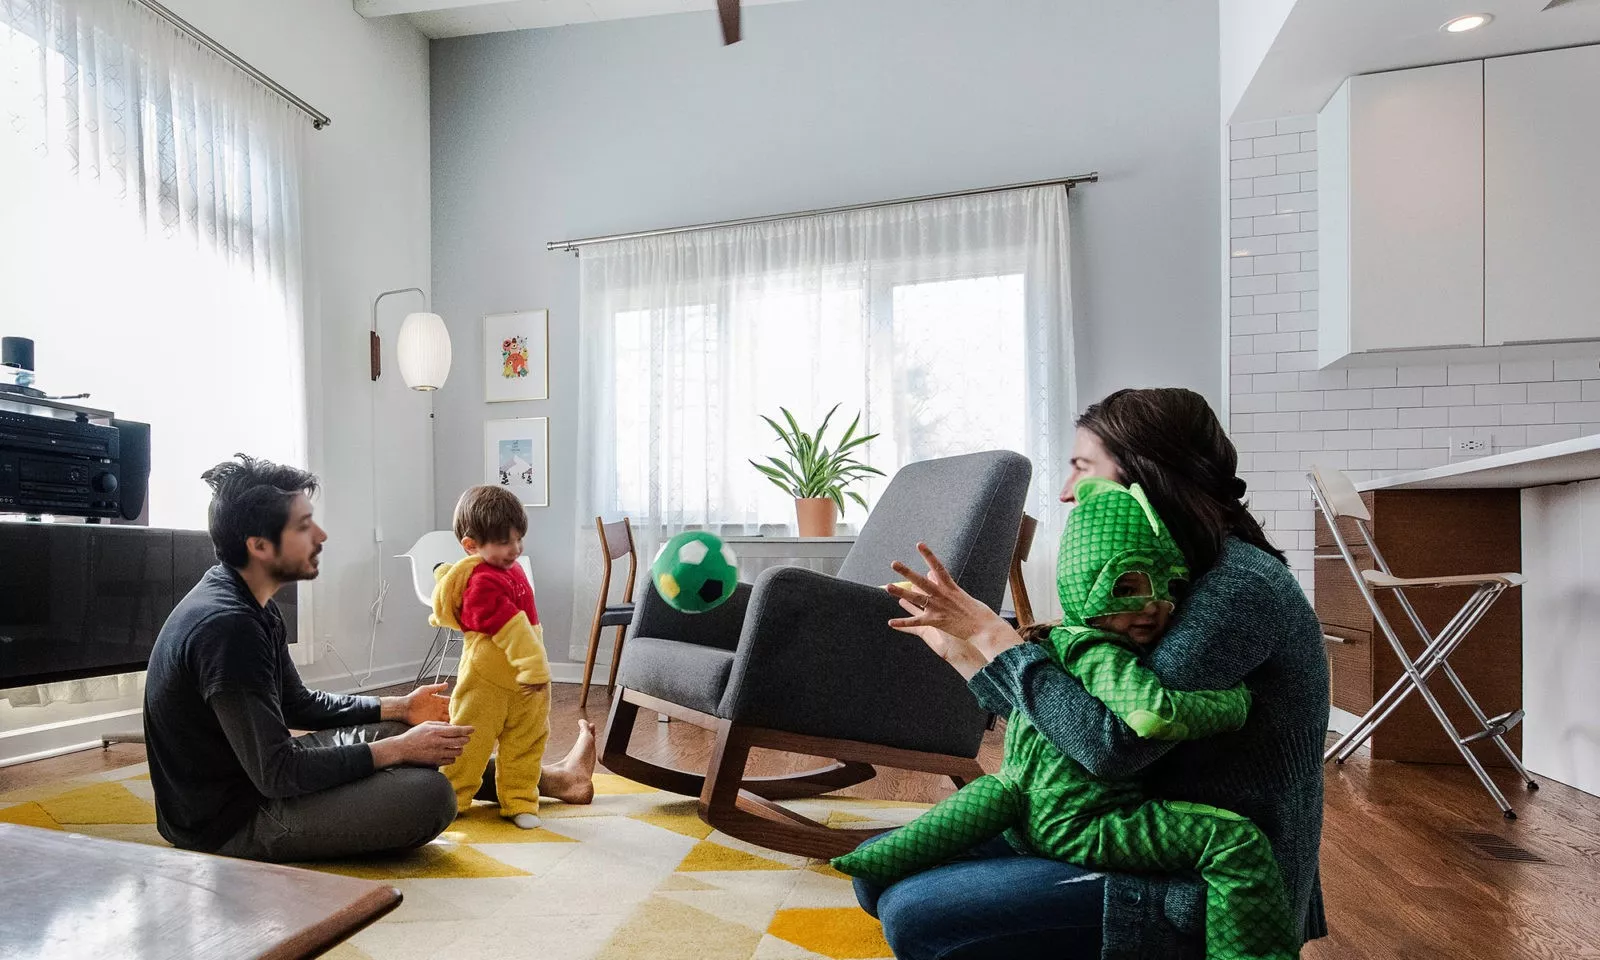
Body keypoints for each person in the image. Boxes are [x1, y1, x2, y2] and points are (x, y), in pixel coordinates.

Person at [855, 387, 1330, 959]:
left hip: (1198, 872)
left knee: (918, 916)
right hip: (1106, 819)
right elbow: (1064, 730)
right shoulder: (1155, 578)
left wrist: (995, 638)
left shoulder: (1234, 588)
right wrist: (960, 651)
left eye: (1083, 466)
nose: (1064, 491)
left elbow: (1113, 747)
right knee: (874, 876)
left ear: (1141, 479)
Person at [144, 454, 470, 862]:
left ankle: (537, 779)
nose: (321, 535)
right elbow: (277, 774)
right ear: (259, 546)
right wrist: (399, 751)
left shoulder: (249, 601)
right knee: (431, 796)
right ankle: (527, 779)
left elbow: (297, 705)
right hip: (227, 821)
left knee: (392, 726)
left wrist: (401, 706)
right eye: (303, 526)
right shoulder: (229, 629)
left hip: (255, 782)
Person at [430, 485, 596, 827]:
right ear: (472, 545)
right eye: (505, 542)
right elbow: (512, 630)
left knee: (526, 744)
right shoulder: (482, 583)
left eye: (519, 539)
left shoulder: (510, 567)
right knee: (469, 743)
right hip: (489, 681)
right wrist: (535, 670)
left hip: (525, 685)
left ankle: (520, 801)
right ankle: (451, 801)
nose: (515, 549)